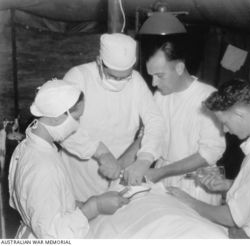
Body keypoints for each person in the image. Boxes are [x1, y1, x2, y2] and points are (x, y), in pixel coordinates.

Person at [168, 78, 250, 239]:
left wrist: (190, 202)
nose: (225, 129)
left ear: (239, 114)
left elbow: (232, 217)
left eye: (224, 122)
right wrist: (231, 185)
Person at [8, 79, 129, 239]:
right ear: (57, 116)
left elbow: (44, 201)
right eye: (76, 118)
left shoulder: (29, 145)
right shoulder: (42, 166)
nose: (77, 125)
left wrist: (83, 205)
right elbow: (52, 235)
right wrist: (94, 207)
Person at [61, 33, 165, 201]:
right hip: (79, 173)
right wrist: (101, 153)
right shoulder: (78, 78)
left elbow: (155, 121)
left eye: (125, 77)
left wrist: (144, 159)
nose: (119, 82)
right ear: (99, 62)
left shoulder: (136, 81)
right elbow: (63, 126)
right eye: (113, 76)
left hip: (119, 173)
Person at [145, 41, 226, 205]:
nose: (154, 83)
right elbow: (149, 134)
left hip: (198, 184)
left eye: (159, 75)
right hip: (162, 178)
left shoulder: (208, 97)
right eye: (151, 76)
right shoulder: (160, 96)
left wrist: (162, 172)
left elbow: (209, 153)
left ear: (180, 68)